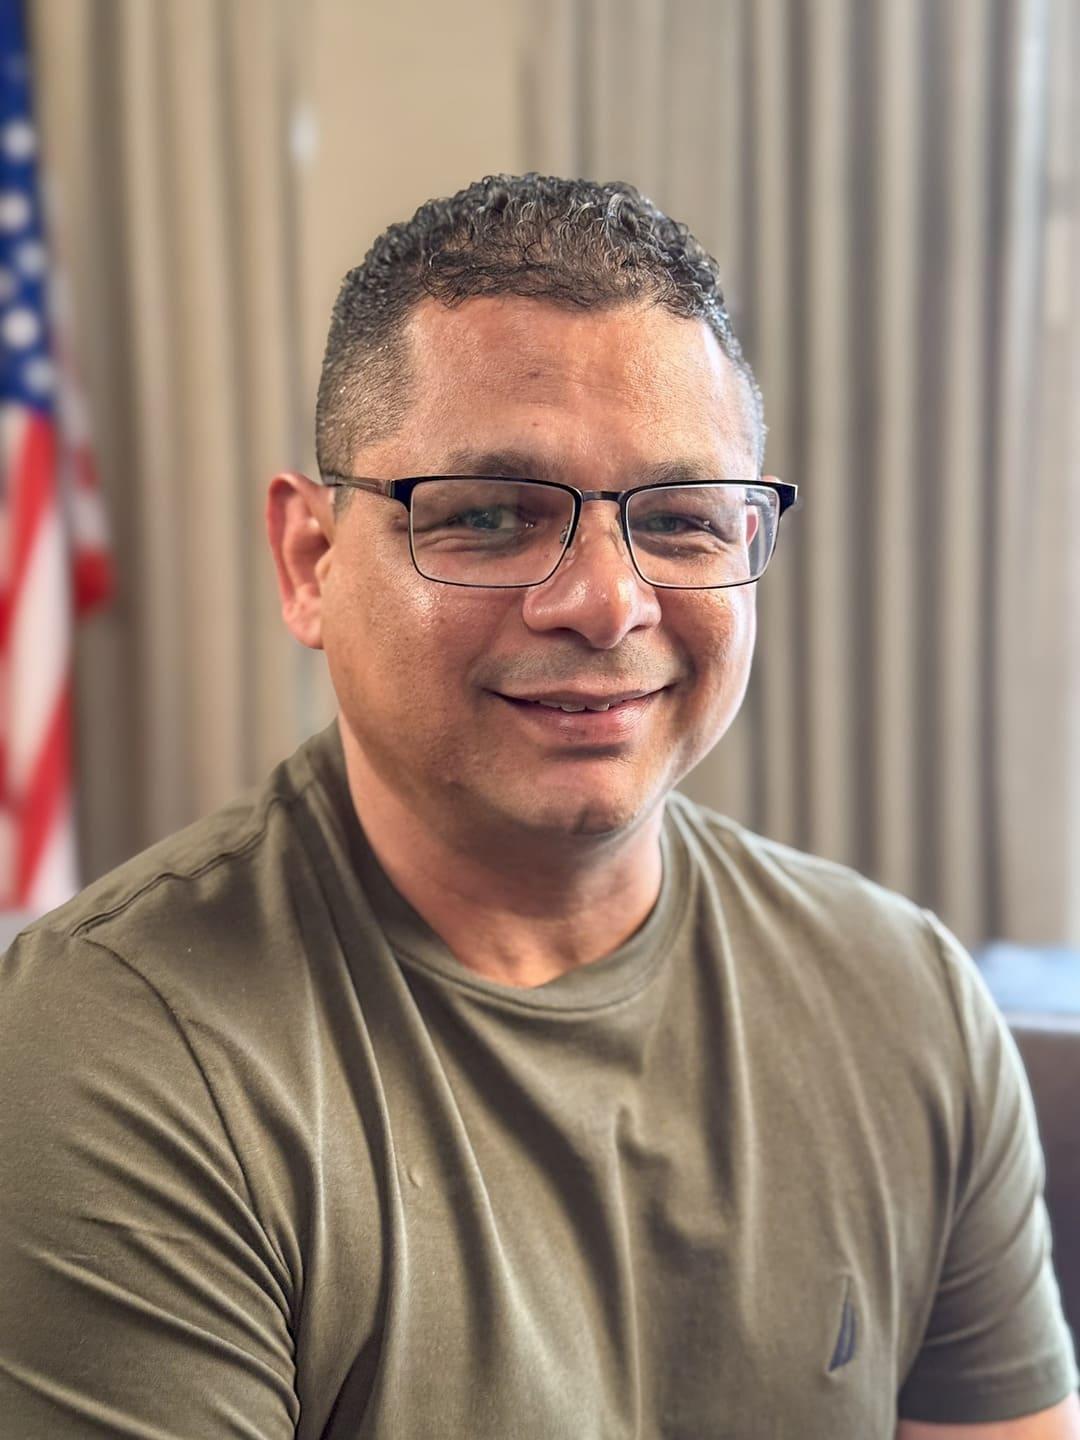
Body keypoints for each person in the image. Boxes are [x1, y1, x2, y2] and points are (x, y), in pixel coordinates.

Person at [0, 174, 1076, 1440]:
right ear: (311, 563)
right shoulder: (116, 1049)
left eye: (680, 520)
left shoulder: (907, 1000)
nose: (605, 603)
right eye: (495, 516)